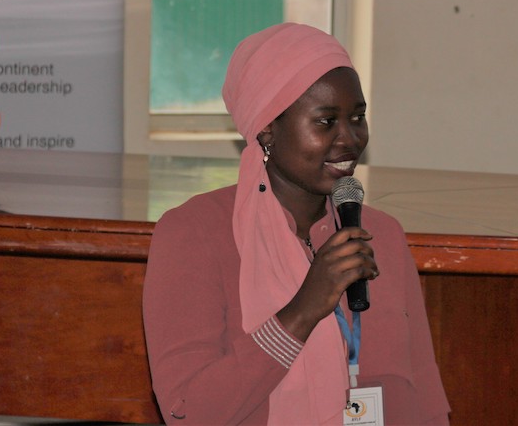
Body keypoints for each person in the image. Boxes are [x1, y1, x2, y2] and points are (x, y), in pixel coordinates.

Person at [143, 23, 450, 425]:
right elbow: (190, 412)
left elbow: (424, 394)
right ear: (267, 128)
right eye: (326, 122)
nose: (350, 139)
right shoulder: (193, 235)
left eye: (357, 117)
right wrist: (303, 310)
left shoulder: (382, 234)